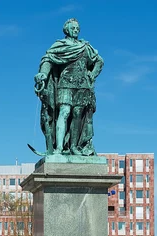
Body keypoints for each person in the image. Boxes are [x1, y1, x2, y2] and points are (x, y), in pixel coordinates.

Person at [34, 18, 104, 156]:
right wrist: (43, 74)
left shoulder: (85, 47)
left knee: (78, 114)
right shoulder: (60, 45)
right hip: (65, 83)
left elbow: (99, 61)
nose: (76, 30)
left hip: (82, 86)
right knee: (64, 112)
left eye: (78, 28)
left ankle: (74, 146)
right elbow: (47, 59)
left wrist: (92, 74)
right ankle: (59, 148)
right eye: (73, 28)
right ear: (67, 29)